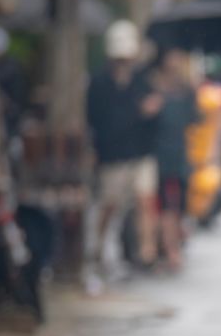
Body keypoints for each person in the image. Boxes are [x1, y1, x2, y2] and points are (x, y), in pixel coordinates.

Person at [84, 20, 161, 290]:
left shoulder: (141, 80)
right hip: (113, 154)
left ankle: (146, 252)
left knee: (144, 200)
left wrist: (150, 111)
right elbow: (99, 120)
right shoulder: (99, 82)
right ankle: (97, 248)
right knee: (110, 203)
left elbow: (153, 113)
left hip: (140, 150)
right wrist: (139, 112)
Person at [148, 47, 197, 274]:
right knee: (165, 206)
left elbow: (194, 120)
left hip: (179, 155)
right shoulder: (154, 89)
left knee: (177, 206)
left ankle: (171, 247)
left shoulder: (186, 91)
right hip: (160, 155)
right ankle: (169, 250)